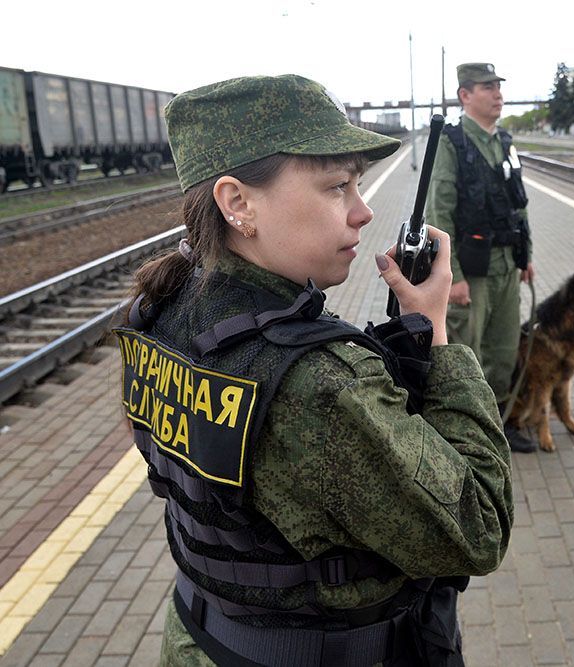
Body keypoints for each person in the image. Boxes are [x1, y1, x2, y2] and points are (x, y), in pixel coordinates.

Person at [114, 74, 513, 666]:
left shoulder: (159, 312)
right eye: (336, 187)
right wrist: (436, 338)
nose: (363, 210)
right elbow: (479, 526)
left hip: (202, 637)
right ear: (237, 203)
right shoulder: (321, 385)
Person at [425, 62, 536, 453]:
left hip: (507, 267)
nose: (497, 94)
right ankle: (465, 435)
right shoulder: (451, 143)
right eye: (487, 87)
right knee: (466, 354)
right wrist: (451, 275)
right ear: (465, 95)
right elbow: (439, 210)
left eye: (498, 86)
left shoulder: (503, 142)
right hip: (472, 270)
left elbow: (518, 204)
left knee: (504, 351)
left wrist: (527, 255)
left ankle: (501, 425)